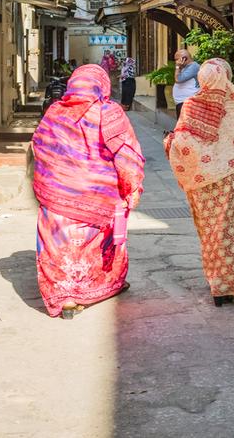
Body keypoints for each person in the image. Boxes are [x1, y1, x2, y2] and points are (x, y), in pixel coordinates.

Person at [31, 64, 145, 319]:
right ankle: (101, 286)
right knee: (96, 245)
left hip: (57, 196)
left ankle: (66, 297)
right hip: (99, 196)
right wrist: (131, 188)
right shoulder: (109, 112)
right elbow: (126, 155)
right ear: (101, 84)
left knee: (59, 246)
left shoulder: (54, 112)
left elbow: (39, 147)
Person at [164, 59, 234, 307]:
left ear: (202, 79)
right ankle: (230, 284)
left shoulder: (192, 106)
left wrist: (170, 142)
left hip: (204, 185)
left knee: (211, 232)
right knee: (233, 232)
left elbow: (182, 146)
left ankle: (216, 283)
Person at [172, 47, 201, 120]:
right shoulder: (186, 67)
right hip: (182, 102)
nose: (176, 62)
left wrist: (178, 66)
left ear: (184, 58)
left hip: (187, 102)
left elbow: (178, 79)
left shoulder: (193, 67)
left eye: (177, 59)